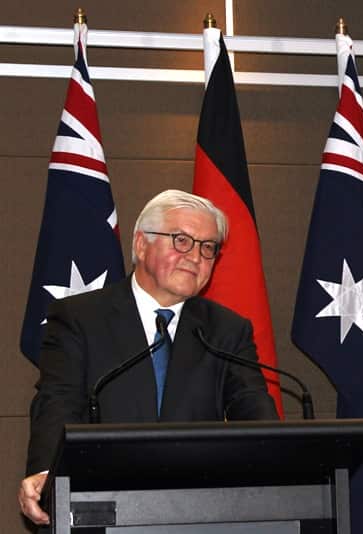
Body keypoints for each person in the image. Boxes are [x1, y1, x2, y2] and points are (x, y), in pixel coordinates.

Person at [18, 189, 279, 525]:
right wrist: (47, 473)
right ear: (141, 245)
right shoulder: (80, 317)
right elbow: (58, 401)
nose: (196, 257)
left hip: (200, 514)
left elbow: (253, 408)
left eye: (208, 247)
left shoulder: (226, 330)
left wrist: (278, 463)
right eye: (182, 241)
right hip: (101, 505)